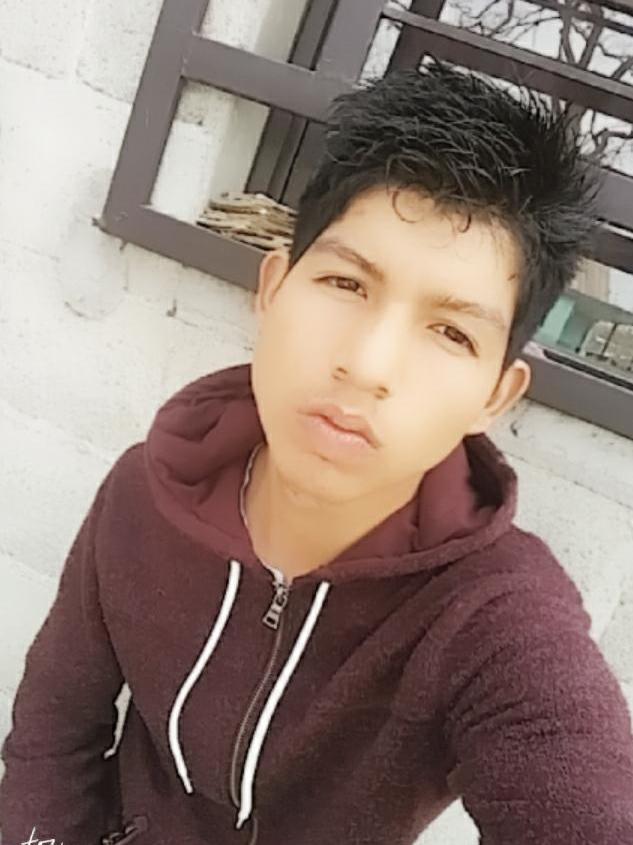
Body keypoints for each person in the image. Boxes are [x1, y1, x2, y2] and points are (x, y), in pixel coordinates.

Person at [1, 60, 632, 845]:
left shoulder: (493, 617)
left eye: (449, 331)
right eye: (345, 284)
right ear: (272, 289)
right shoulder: (144, 492)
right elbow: (54, 730)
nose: (366, 364)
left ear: (493, 396)